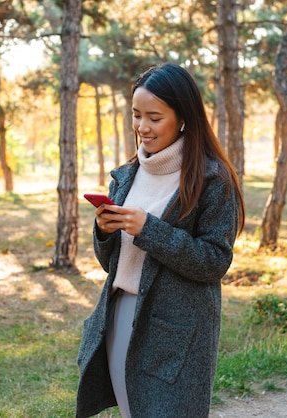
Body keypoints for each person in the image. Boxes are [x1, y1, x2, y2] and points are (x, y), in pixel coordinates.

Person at [75, 62, 245, 418]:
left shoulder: (212, 179)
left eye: (154, 117)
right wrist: (105, 232)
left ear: (183, 116)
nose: (142, 127)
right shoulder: (126, 176)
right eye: (137, 115)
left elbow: (214, 262)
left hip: (177, 328)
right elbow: (111, 264)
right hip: (121, 313)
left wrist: (148, 229)